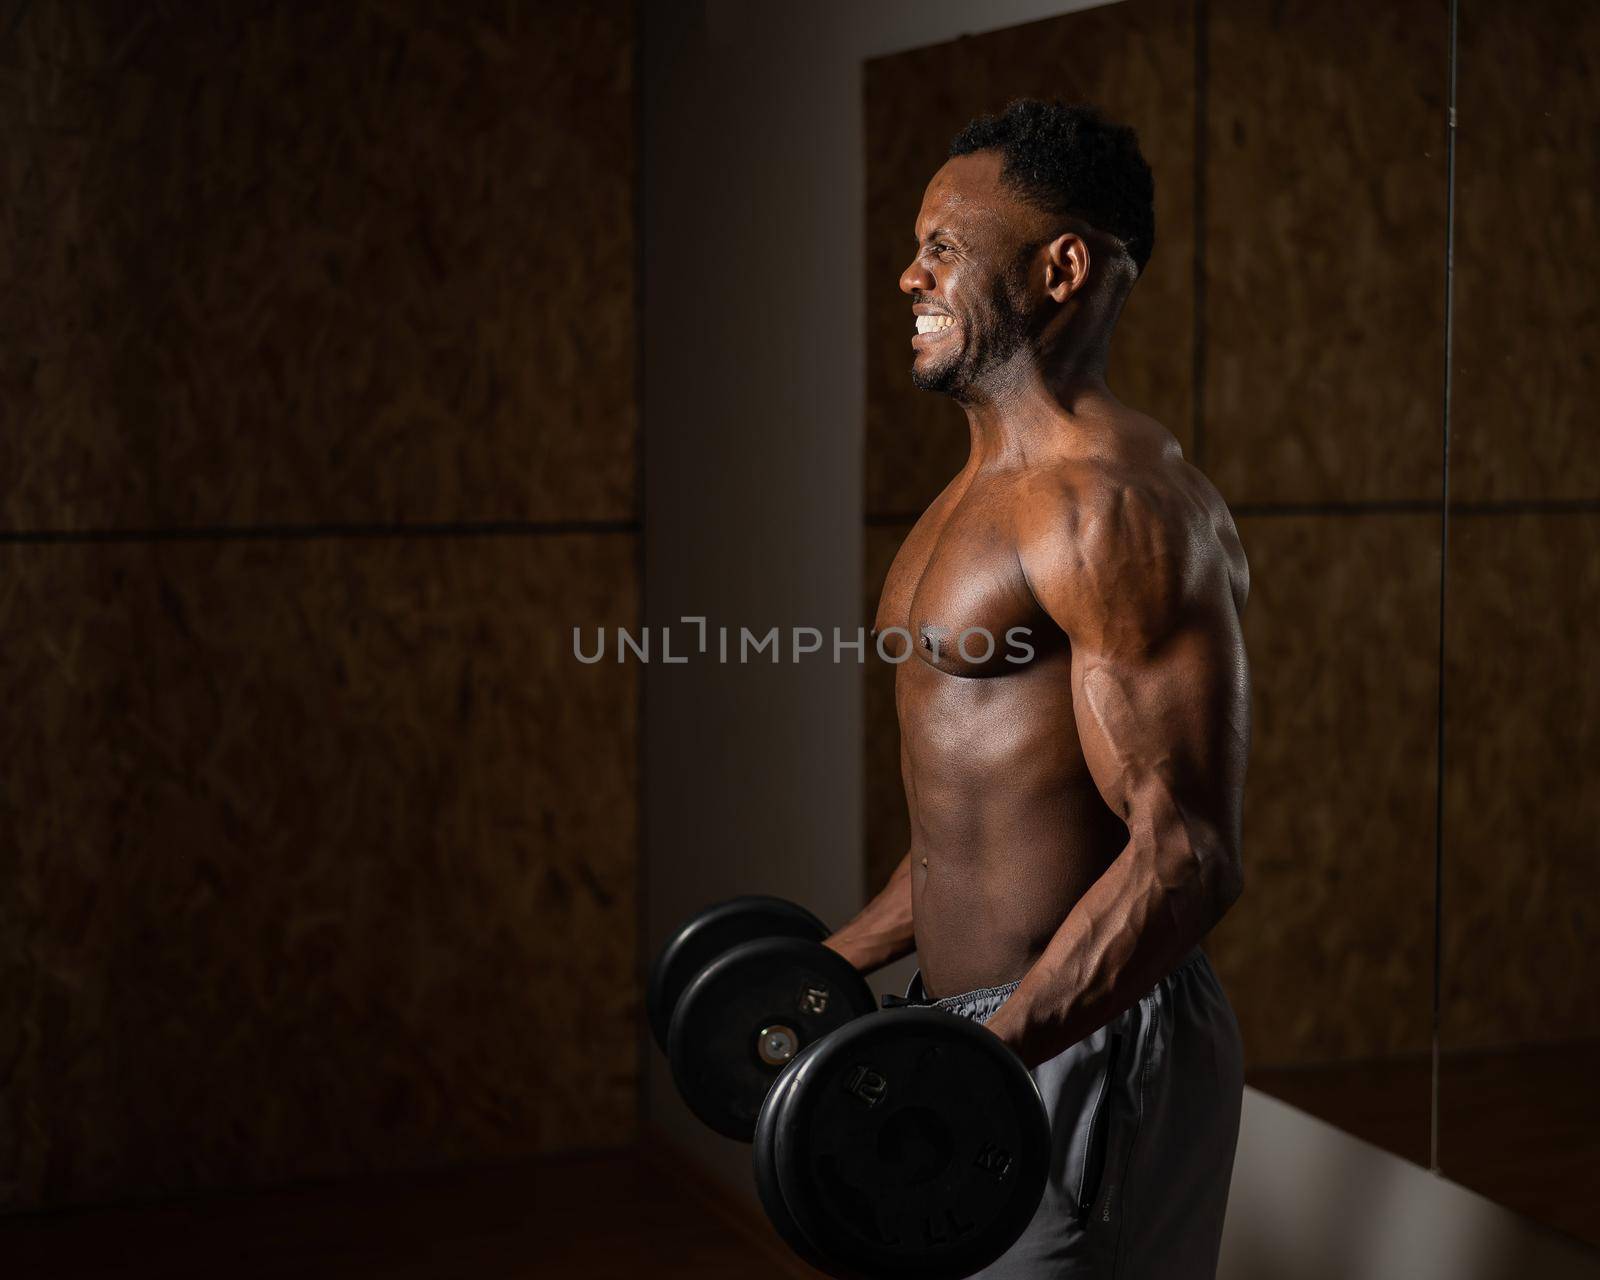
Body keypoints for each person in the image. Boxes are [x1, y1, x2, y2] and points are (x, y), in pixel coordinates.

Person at [822, 99, 1251, 1279]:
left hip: (1091, 1027)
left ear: (1061, 266)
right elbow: (981, 824)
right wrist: (832, 959)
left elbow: (1185, 852)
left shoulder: (1112, 506)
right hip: (983, 1030)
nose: (908, 273)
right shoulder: (970, 500)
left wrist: (990, 1054)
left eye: (943, 246)